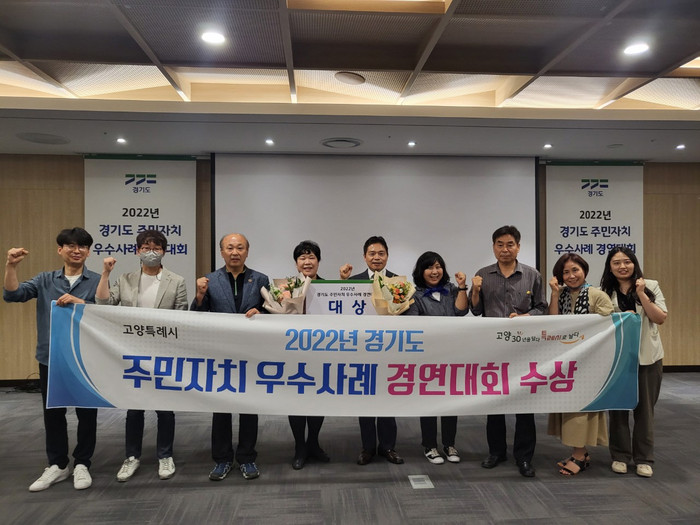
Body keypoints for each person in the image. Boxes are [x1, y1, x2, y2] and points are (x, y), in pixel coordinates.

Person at [4, 227, 100, 491]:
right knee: (53, 413)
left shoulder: (96, 280)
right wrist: (11, 266)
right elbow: (13, 294)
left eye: (82, 246)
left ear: (88, 252)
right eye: (71, 246)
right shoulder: (45, 279)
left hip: (84, 357)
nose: (77, 250)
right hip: (51, 357)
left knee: (87, 413)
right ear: (60, 250)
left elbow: (106, 314)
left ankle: (82, 463)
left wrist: (82, 303)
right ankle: (57, 464)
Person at [95, 229, 188, 482]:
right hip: (132, 354)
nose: (151, 252)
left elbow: (182, 318)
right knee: (134, 409)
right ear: (137, 251)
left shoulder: (176, 281)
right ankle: (131, 457)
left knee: (165, 410)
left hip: (163, 354)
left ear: (164, 252)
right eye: (146, 248)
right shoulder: (125, 279)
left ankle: (165, 456)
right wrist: (106, 274)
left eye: (156, 248)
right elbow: (103, 304)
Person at [470, 225, 547, 478]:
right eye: (500, 244)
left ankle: (524, 457)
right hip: (493, 348)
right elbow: (475, 310)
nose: (505, 249)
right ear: (494, 247)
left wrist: (526, 317)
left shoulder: (532, 275)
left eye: (510, 244)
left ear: (518, 247)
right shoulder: (483, 274)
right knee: (495, 402)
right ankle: (496, 452)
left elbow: (542, 307)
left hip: (524, 348)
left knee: (524, 404)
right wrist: (475, 290)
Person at [191, 233, 268, 481]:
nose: (235, 252)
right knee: (221, 407)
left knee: (249, 407)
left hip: (250, 352)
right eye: (230, 248)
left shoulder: (260, 279)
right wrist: (200, 295)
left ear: (247, 251)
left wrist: (262, 312)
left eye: (240, 248)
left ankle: (247, 458)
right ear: (222, 252)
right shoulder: (209, 279)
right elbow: (197, 315)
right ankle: (222, 459)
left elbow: (271, 311)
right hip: (220, 353)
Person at [600, 246, 667, 478]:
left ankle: (644, 458)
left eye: (627, 261)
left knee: (645, 411)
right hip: (617, 359)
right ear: (610, 267)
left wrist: (641, 294)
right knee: (617, 410)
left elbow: (660, 317)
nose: (622, 266)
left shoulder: (650, 285)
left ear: (634, 263)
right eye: (616, 263)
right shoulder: (604, 291)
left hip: (648, 358)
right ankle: (620, 456)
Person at [546, 253, 613, 476]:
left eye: (575, 270)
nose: (571, 276)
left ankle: (580, 455)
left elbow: (608, 326)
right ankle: (579, 452)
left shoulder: (597, 295)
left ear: (584, 270)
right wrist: (554, 294)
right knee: (568, 405)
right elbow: (553, 324)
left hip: (589, 362)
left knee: (580, 408)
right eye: (565, 272)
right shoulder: (562, 294)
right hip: (566, 361)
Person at [340, 235, 404, 466]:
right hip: (362, 349)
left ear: (387, 256)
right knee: (365, 399)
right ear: (365, 256)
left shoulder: (398, 282)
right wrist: (342, 282)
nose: (376, 257)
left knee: (387, 398)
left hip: (388, 348)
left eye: (381, 253)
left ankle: (388, 447)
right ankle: (367, 447)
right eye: (372, 253)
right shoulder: (353, 281)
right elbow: (343, 313)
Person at [405, 251, 469, 464]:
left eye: (438, 266)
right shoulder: (414, 295)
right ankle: (430, 446)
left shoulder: (452, 290)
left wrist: (462, 287)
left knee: (451, 401)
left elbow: (461, 312)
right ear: (421, 271)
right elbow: (413, 323)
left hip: (452, 354)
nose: (434, 271)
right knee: (429, 401)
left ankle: (450, 444)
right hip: (428, 356)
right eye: (429, 267)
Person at [287, 240, 330, 470]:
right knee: (296, 400)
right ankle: (299, 447)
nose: (307, 262)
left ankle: (313, 442)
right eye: (302, 258)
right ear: (296, 263)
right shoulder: (286, 287)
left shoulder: (328, 288)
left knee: (318, 399)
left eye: (311, 257)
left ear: (318, 261)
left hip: (321, 352)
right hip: (294, 352)